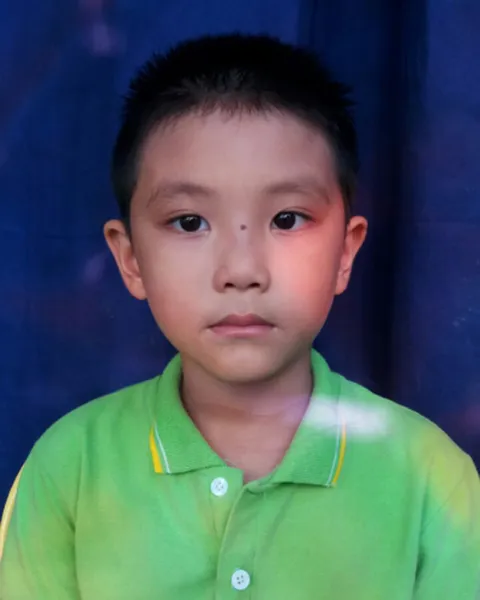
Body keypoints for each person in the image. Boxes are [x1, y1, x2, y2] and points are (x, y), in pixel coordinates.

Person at [1, 33, 479, 600]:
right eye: (189, 222)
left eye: (287, 218)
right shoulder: (70, 468)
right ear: (129, 259)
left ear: (345, 253)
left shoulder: (431, 478)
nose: (242, 270)